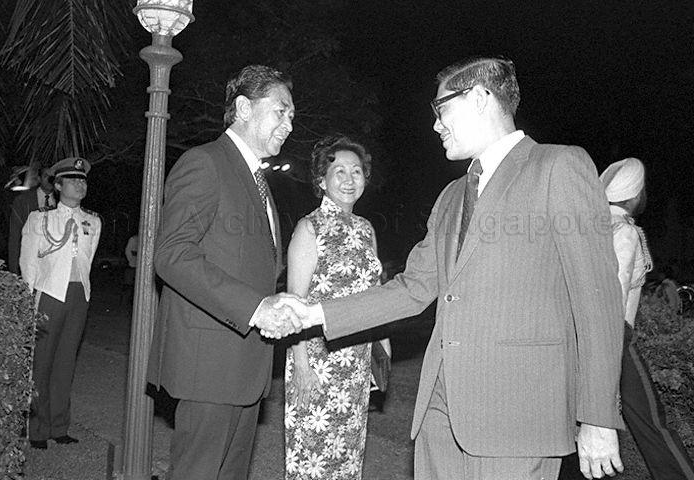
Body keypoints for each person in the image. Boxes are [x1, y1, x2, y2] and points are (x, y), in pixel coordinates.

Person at [265, 56, 626, 480]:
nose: (436, 125)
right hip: (440, 416)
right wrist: (315, 314)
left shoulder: (558, 167)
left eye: (442, 110)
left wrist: (599, 416)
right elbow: (412, 287)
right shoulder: (452, 196)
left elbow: (598, 298)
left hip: (518, 418)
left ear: (478, 98)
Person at [146, 64, 303, 480]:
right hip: (209, 368)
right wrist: (255, 308)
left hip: (245, 367)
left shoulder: (258, 180)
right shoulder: (206, 163)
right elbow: (172, 254)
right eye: (281, 110)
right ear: (244, 108)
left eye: (292, 116)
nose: (289, 124)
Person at [283, 135, 390, 479]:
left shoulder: (366, 229)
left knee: (347, 457)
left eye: (356, 171)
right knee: (313, 457)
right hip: (317, 362)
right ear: (320, 181)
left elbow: (373, 295)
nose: (349, 178)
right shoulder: (309, 228)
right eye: (339, 171)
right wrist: (301, 365)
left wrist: (381, 348)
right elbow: (295, 305)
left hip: (356, 366)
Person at [600, 158, 694, 479]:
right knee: (653, 423)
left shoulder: (593, 229)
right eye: (643, 190)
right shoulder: (624, 232)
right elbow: (614, 293)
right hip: (616, 336)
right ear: (633, 193)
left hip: (590, 334)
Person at [19, 157, 101, 450]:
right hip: (49, 293)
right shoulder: (40, 219)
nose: (80, 185)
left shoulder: (94, 220)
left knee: (66, 363)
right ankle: (37, 429)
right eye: (73, 180)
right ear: (57, 185)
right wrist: (29, 300)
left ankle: (59, 426)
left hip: (79, 295)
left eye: (83, 181)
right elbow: (28, 263)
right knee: (41, 363)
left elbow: (86, 262)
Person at [8, 162, 57, 274]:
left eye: (52, 177)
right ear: (39, 178)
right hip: (29, 263)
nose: (50, 179)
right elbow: (15, 236)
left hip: (53, 266)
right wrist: (13, 270)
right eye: (46, 176)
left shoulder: (62, 202)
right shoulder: (23, 201)